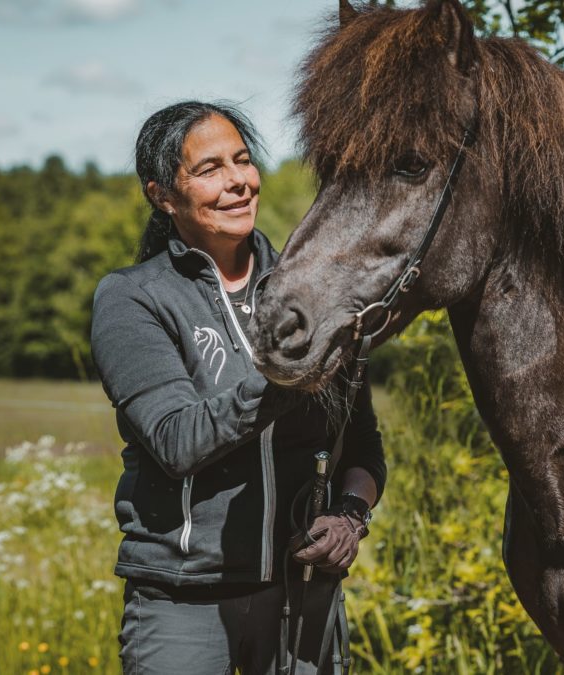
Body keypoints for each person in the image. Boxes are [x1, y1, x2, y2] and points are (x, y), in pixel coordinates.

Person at [90, 100, 386, 674]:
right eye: (209, 169)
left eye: (243, 161)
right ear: (162, 195)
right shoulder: (133, 298)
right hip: (183, 605)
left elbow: (362, 444)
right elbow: (177, 440)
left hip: (305, 595)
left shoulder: (311, 294)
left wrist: (350, 515)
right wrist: (285, 369)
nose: (237, 182)